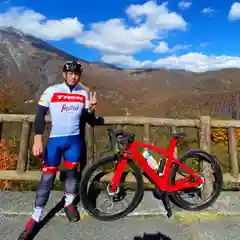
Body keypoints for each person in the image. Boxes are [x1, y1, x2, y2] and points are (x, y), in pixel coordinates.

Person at [18, 61, 102, 240]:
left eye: (77, 74)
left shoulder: (83, 94)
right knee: (47, 178)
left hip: (75, 141)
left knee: (72, 174)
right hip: (55, 141)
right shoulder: (52, 90)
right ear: (64, 74)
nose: (73, 76)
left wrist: (92, 108)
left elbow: (87, 118)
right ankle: (35, 218)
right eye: (70, 73)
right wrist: (38, 138)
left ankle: (69, 204)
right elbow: (40, 115)